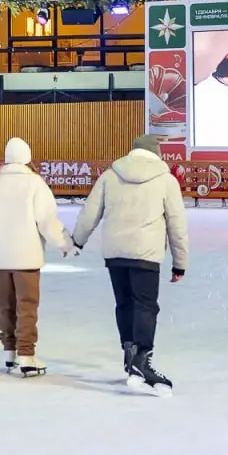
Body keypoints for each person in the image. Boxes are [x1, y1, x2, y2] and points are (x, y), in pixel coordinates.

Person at [72, 134, 189, 394]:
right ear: (156, 154)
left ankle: (130, 355)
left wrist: (77, 241)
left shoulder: (110, 176)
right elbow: (177, 225)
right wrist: (179, 263)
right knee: (146, 305)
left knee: (124, 304)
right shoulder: (166, 180)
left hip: (116, 253)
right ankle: (141, 361)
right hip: (146, 253)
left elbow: (89, 212)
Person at [0, 137, 71, 377]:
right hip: (26, 257)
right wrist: (65, 243)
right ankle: (26, 355)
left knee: (5, 306)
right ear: (27, 157)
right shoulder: (35, 184)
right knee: (26, 307)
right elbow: (47, 220)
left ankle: (9, 352)